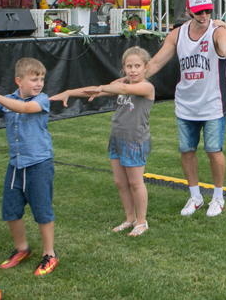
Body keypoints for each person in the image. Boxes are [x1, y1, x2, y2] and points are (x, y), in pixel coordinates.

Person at [142, 0, 226, 217]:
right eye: (199, 12)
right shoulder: (177, 35)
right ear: (188, 12)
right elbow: (156, 63)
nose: (204, 15)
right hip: (185, 104)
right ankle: (195, 196)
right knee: (187, 151)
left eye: (207, 11)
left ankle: (218, 197)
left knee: (214, 151)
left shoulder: (217, 30)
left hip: (213, 104)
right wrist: (133, 79)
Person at [51, 46, 155, 235]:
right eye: (129, 66)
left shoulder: (146, 87)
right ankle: (130, 219)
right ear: (124, 67)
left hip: (135, 141)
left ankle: (142, 222)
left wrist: (103, 87)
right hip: (117, 139)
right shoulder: (121, 85)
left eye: (137, 66)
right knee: (120, 182)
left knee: (135, 183)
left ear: (145, 67)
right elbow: (95, 91)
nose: (133, 70)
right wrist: (69, 92)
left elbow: (122, 88)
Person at [0, 58, 58, 275]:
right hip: (16, 165)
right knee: (10, 211)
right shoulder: (7, 99)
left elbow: (24, 108)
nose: (39, 84)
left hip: (39, 164)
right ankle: (22, 249)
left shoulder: (41, 99)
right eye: (34, 79)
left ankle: (49, 254)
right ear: (19, 81)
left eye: (42, 79)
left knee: (42, 211)